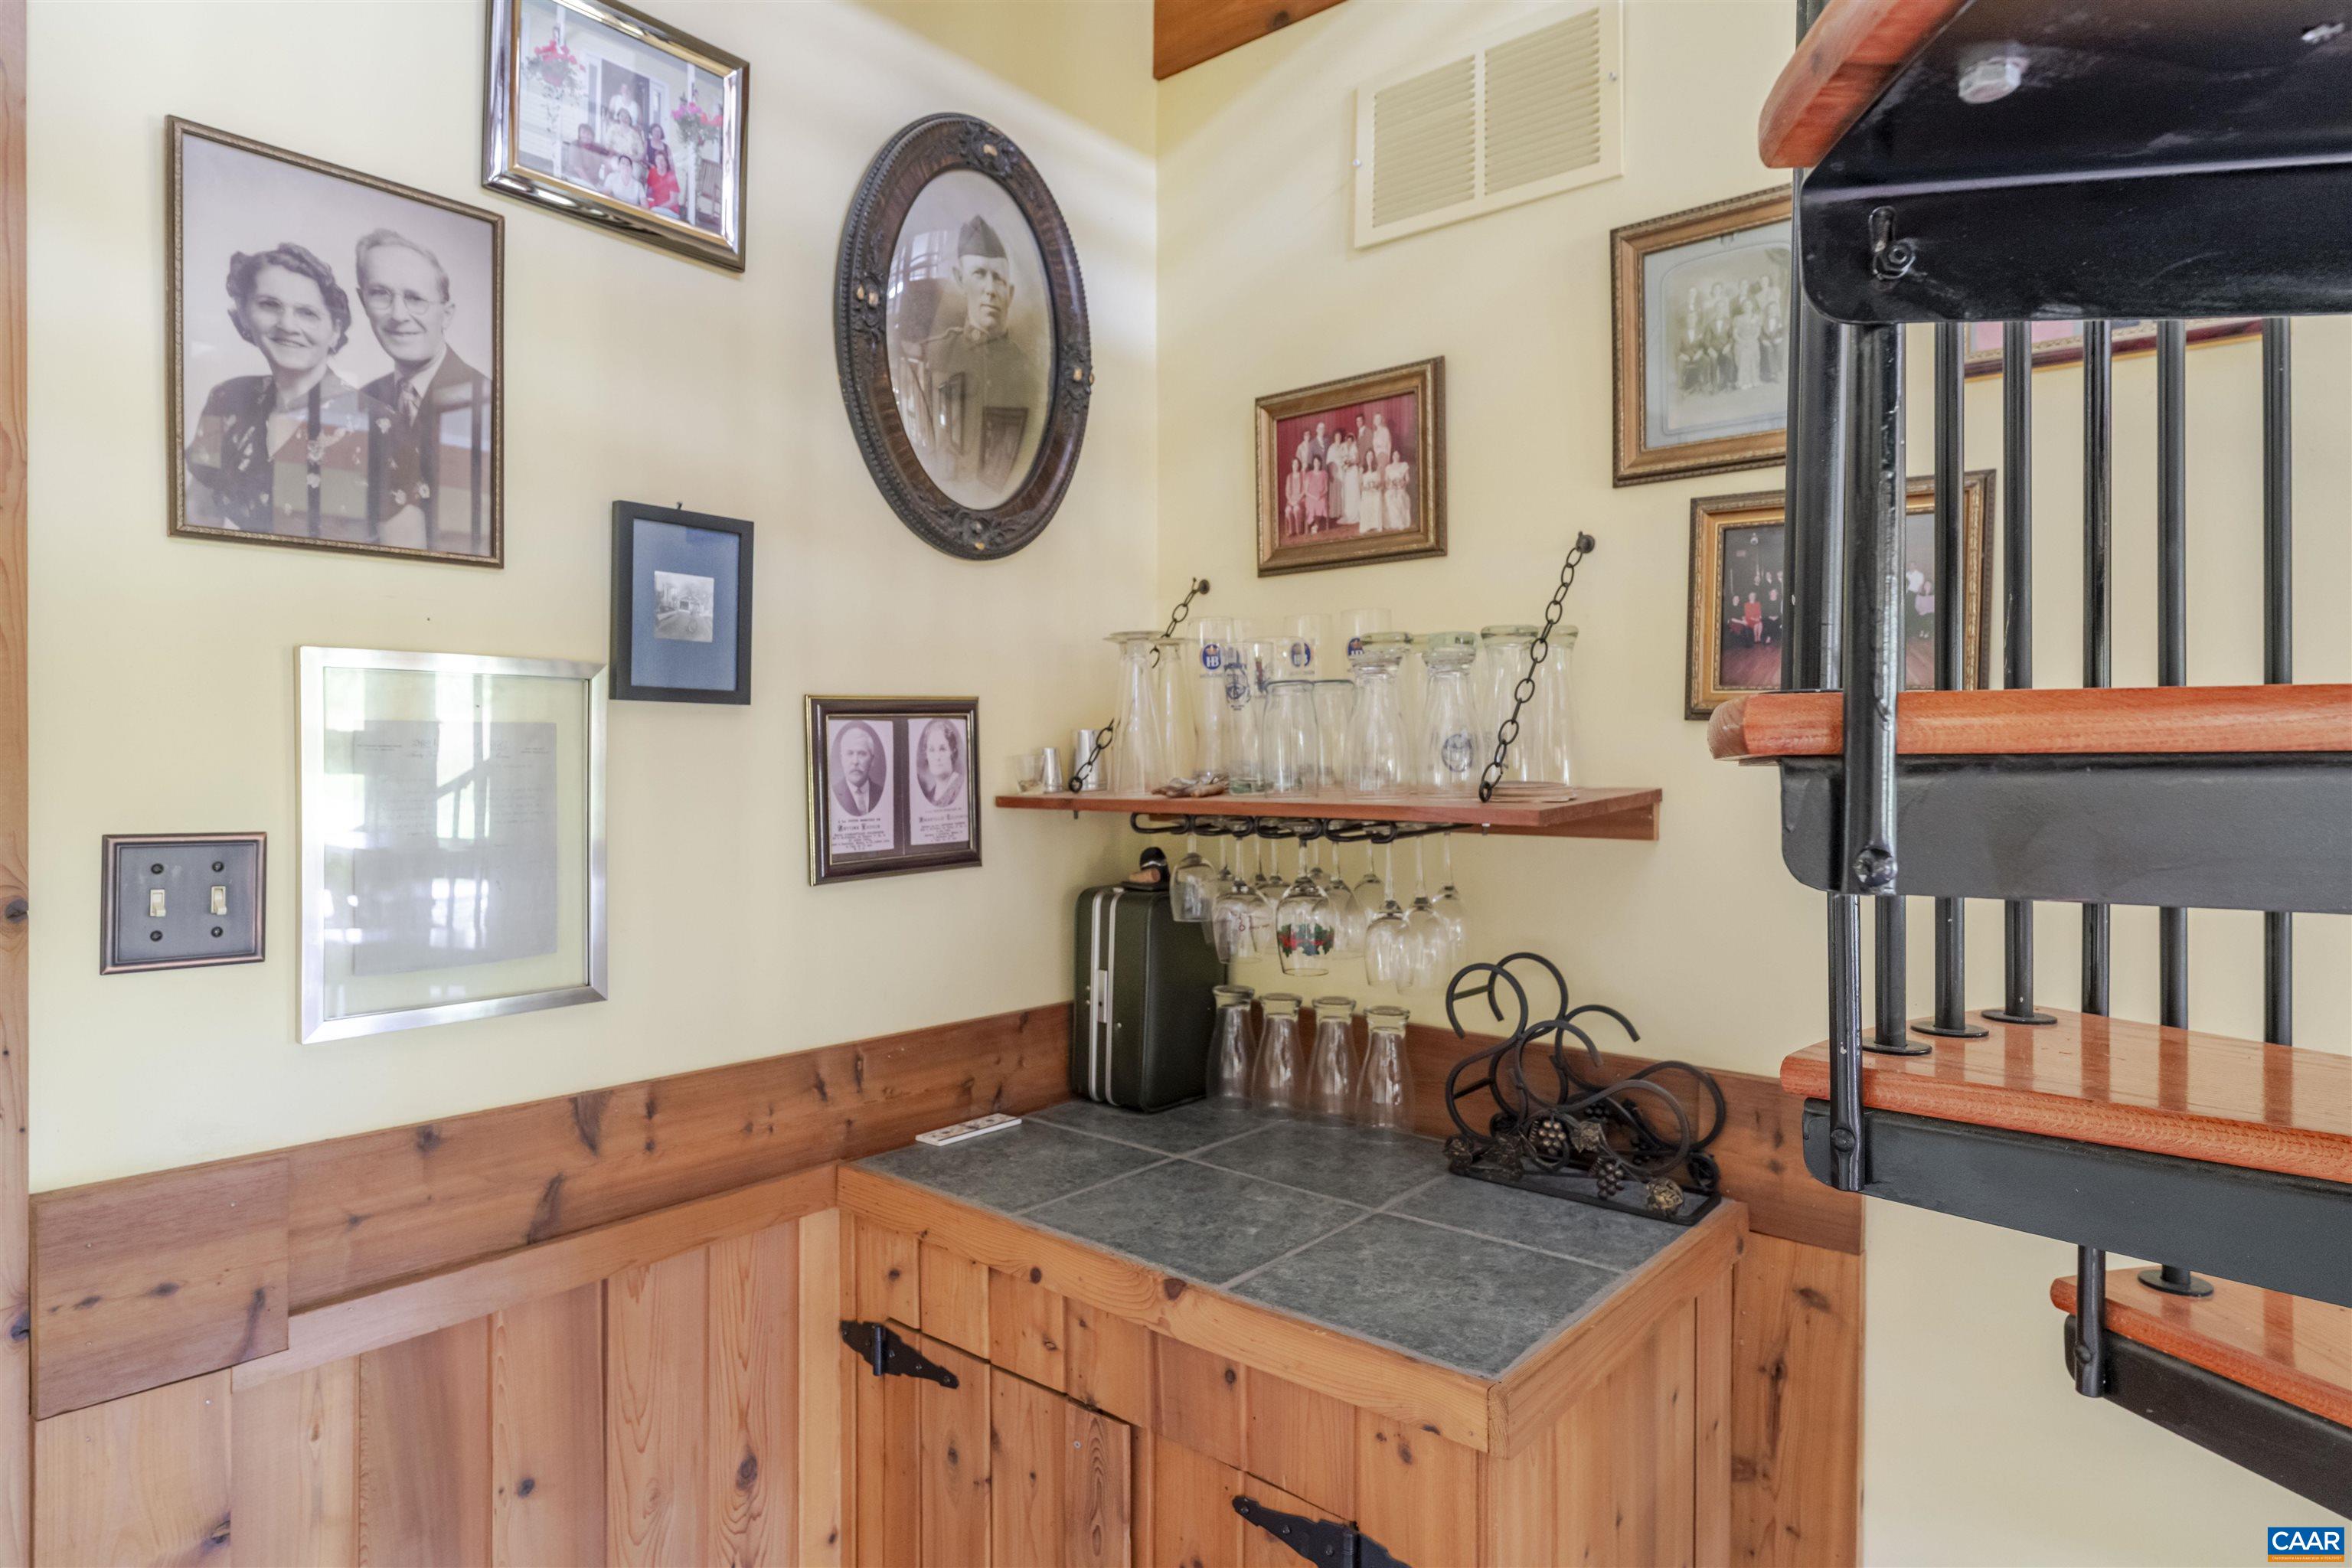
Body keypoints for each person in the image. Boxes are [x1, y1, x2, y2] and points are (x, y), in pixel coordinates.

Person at [184, 243, 393, 543]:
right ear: (244, 314)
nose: (287, 325)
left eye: (307, 313)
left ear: (335, 329)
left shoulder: (381, 427)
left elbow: (407, 558)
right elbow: (198, 512)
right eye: (270, 305)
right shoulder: (226, 399)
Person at [354, 229, 493, 554]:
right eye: (380, 294)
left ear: (447, 314)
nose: (398, 315)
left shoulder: (489, 403)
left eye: (415, 299)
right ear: (363, 302)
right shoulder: (359, 405)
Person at [915, 214, 1039, 496]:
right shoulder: (935, 353)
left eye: (998, 279)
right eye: (979, 274)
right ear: (960, 280)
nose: (989, 290)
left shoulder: (1028, 373)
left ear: (1010, 292)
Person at [833, 723, 887, 818]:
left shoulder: (883, 793)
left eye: (862, 754)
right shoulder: (833, 793)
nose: (855, 761)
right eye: (850, 753)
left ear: (872, 760)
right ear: (842, 759)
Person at [915, 720, 965, 808]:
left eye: (942, 749)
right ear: (926, 754)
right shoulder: (930, 796)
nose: (937, 757)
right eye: (932, 750)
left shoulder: (960, 787)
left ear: (952, 752)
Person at [643, 145, 681, 217]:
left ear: (667, 163)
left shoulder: (671, 177)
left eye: (663, 160)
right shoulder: (652, 172)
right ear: (655, 161)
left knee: (652, 212)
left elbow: (673, 201)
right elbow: (649, 191)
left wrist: (658, 207)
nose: (660, 162)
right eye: (658, 159)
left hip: (671, 211)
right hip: (656, 208)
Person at [1383, 452, 1411, 534]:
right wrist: (1390, 485)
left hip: (1401, 488)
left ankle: (1400, 522)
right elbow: (1386, 482)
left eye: (1398, 455)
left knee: (1399, 497)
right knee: (1388, 496)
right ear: (1392, 456)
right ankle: (1394, 522)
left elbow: (1408, 479)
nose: (1396, 456)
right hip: (1391, 488)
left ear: (1400, 456)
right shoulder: (1388, 467)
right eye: (1394, 455)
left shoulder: (1404, 465)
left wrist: (1402, 483)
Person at [1302, 457, 1328, 533]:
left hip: (1321, 496)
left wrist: (1320, 496)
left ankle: (1316, 524)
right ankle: (1310, 522)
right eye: (1315, 462)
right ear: (1313, 463)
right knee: (1312, 505)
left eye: (1318, 462)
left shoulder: (1324, 474)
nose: (1317, 464)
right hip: (1310, 497)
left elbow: (1326, 489)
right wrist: (1313, 497)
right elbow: (1306, 491)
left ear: (1320, 463)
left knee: (1322, 503)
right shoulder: (1308, 474)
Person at [1282, 457, 1304, 533]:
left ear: (1299, 465)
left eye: (1297, 464)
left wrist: (1297, 500)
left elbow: (1304, 491)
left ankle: (1299, 530)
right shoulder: (1289, 477)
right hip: (1291, 500)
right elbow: (1287, 492)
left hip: (1300, 500)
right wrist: (1291, 501)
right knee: (1288, 510)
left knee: (1296, 509)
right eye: (1294, 464)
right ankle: (1291, 530)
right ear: (1292, 465)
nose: (1295, 465)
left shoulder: (1302, 475)